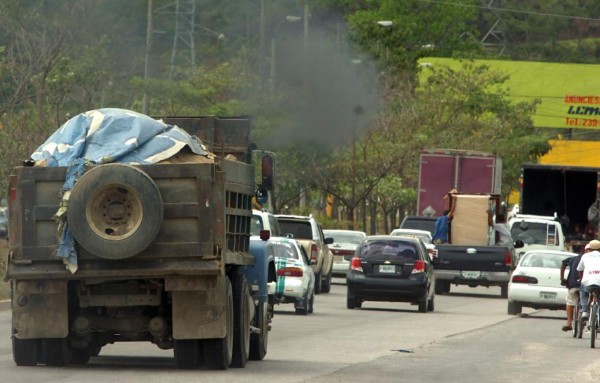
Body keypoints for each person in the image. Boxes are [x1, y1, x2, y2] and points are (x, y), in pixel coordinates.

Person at [560, 244, 587, 331]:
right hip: (587, 285)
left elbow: (563, 263)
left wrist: (562, 278)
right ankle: (587, 314)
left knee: (570, 302)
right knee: (590, 300)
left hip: (573, 284)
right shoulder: (595, 259)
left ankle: (569, 322)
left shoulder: (574, 258)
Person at [577, 239, 600, 319]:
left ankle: (584, 311)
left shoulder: (585, 256)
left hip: (588, 283)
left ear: (589, 248)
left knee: (583, 291)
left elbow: (580, 269)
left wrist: (581, 279)